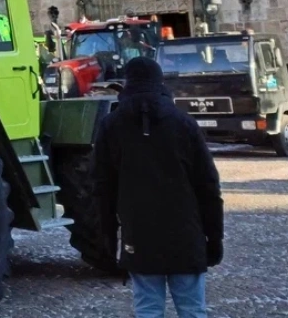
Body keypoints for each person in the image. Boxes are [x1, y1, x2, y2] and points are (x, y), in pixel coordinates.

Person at [94, 56, 224, 318]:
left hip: (139, 235)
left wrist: (107, 238)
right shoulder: (183, 123)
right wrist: (215, 237)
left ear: (127, 83)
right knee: (192, 310)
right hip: (186, 234)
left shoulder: (111, 125)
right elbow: (208, 186)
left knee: (148, 309)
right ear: (160, 81)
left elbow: (102, 189)